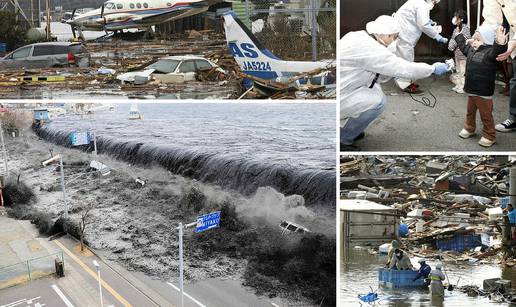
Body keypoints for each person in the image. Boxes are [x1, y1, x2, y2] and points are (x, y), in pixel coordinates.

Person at [340, 15, 448, 150]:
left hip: (346, 87)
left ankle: (351, 128)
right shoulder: (372, 49)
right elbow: (403, 67)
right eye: (394, 37)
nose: (394, 41)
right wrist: (432, 68)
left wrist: (394, 72)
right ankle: (343, 139)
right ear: (384, 34)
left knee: (375, 90)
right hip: (342, 94)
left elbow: (380, 74)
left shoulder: (358, 36)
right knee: (378, 101)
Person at [456, 25, 508, 147]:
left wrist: (500, 43)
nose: (474, 42)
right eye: (474, 39)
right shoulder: (471, 50)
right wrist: (459, 36)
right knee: (470, 112)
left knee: (486, 115)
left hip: (483, 92)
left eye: (478, 39)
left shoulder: (490, 52)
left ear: (488, 41)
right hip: (471, 90)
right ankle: (469, 128)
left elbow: (498, 51)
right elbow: (464, 47)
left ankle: (489, 135)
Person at [393, 0, 448, 93]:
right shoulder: (421, 5)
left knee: (404, 59)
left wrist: (428, 21)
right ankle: (405, 84)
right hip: (404, 36)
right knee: (406, 61)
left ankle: (406, 81)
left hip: (403, 34)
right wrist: (437, 36)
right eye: (434, 3)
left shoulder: (417, 2)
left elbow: (416, 18)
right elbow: (423, 25)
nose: (434, 5)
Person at [481, 0, 516, 132]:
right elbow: (491, 20)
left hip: (514, 41)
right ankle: (514, 118)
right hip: (513, 38)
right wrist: (479, 36)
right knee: (515, 80)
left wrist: (512, 44)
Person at [447, 9, 471, 94]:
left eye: (455, 17)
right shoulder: (456, 29)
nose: (454, 18)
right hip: (457, 53)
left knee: (463, 71)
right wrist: (451, 45)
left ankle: (463, 86)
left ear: (461, 19)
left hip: (463, 54)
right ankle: (459, 85)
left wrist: (454, 42)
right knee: (458, 70)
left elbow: (466, 40)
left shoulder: (466, 29)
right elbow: (453, 39)